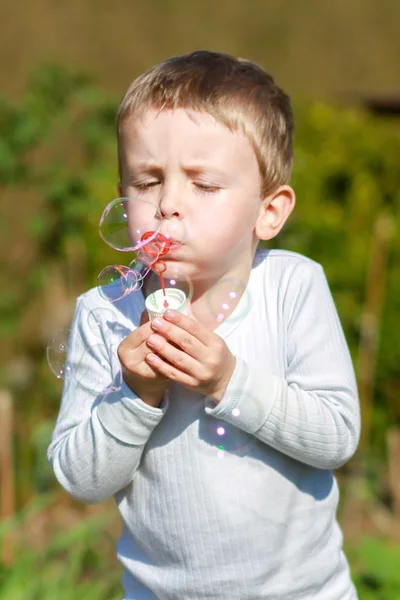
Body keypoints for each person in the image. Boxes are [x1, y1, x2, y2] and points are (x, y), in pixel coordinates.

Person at [47, 50, 360, 599]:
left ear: (269, 210)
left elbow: (336, 436)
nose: (168, 204)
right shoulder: (104, 314)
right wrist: (138, 396)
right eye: (146, 181)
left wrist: (228, 382)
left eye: (204, 184)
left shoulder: (291, 288)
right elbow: (81, 480)